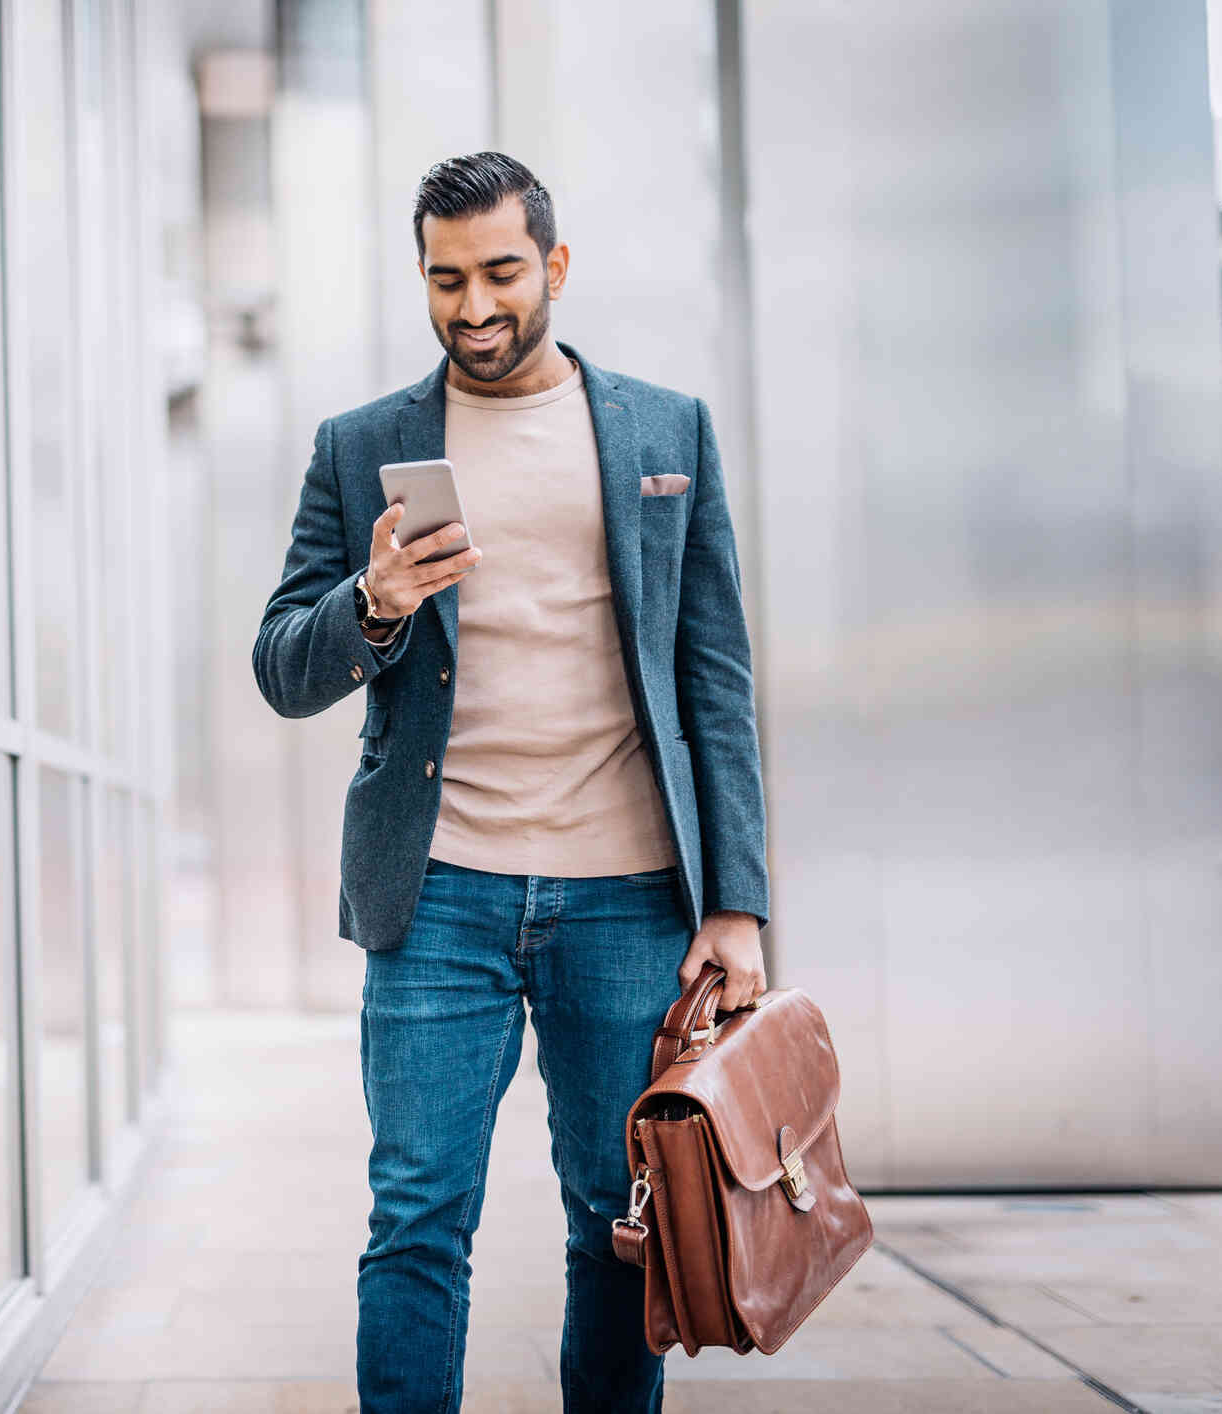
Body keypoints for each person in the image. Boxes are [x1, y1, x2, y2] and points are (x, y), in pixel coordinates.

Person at [251, 152, 770, 1413]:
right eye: (443, 280)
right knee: (417, 1218)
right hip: (434, 895)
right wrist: (373, 599)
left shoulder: (664, 430)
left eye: (497, 274)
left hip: (628, 896)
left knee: (617, 1221)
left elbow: (716, 682)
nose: (472, 307)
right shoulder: (361, 444)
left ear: (554, 264)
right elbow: (282, 666)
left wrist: (738, 903)